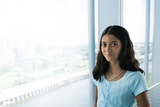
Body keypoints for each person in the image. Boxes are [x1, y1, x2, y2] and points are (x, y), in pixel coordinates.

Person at [92, 25, 151, 107]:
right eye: (104, 44)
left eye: (114, 44)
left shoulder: (135, 77)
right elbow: (96, 103)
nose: (107, 49)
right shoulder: (99, 72)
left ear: (124, 46)